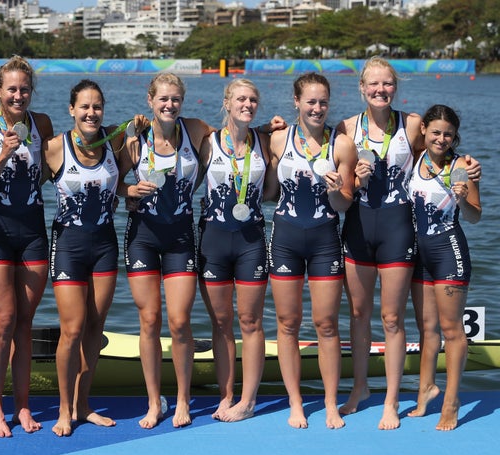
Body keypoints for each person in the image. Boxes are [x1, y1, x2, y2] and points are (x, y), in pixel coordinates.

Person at [336, 57, 482, 429]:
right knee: (357, 315)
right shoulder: (346, 127)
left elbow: (440, 148)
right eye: (373, 84)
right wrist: (264, 127)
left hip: (399, 230)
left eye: (387, 84)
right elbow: (321, 149)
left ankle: (391, 401)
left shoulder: (413, 124)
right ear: (362, 88)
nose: (380, 90)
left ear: (395, 88)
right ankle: (360, 388)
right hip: (358, 226)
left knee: (391, 317)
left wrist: (467, 168)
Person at [119, 73, 213, 429]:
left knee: (179, 322)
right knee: (149, 321)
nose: (169, 105)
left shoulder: (195, 129)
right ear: (150, 100)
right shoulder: (135, 137)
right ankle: (154, 401)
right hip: (142, 236)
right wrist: (128, 193)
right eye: (163, 99)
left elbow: (234, 136)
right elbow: (112, 181)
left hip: (179, 239)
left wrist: (269, 127)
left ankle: (184, 400)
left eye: (175, 99)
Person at [0, 56, 54, 437]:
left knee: (25, 322)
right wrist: (2, 154)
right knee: (2, 320)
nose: (19, 95)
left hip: (33, 231)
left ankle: (22, 405)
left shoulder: (43, 123)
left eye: (24, 89)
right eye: (12, 89)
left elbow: (55, 171)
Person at [43, 79, 133, 436]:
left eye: (97, 107)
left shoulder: (114, 141)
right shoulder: (53, 148)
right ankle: (64, 409)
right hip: (68, 246)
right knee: (72, 329)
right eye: (84, 106)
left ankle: (84, 404)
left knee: (96, 328)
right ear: (71, 110)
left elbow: (161, 126)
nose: (91, 112)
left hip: (104, 245)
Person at [266, 72, 356, 429]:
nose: (317, 108)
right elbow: (269, 190)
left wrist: (335, 190)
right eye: (310, 102)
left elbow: (345, 204)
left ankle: (331, 404)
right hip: (286, 237)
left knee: (326, 324)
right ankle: (296, 403)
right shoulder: (277, 140)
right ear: (296, 103)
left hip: (324, 239)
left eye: (322, 102)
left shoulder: (342, 145)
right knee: (288, 323)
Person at [196, 79, 283, 422]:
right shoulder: (206, 143)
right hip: (213, 240)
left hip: (251, 241)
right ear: (227, 103)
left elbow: (272, 193)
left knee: (251, 321)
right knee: (221, 322)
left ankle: (247, 401)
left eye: (252, 100)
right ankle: (226, 395)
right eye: (241, 99)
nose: (247, 104)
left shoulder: (265, 142)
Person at [407, 105, 481, 430]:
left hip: (449, 251)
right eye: (436, 132)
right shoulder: (413, 157)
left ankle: (451, 400)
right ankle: (426, 389)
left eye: (448, 134)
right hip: (418, 254)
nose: (441, 138)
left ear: (454, 136)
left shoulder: (462, 166)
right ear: (424, 129)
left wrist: (463, 199)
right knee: (426, 328)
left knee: (452, 330)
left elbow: (476, 215)